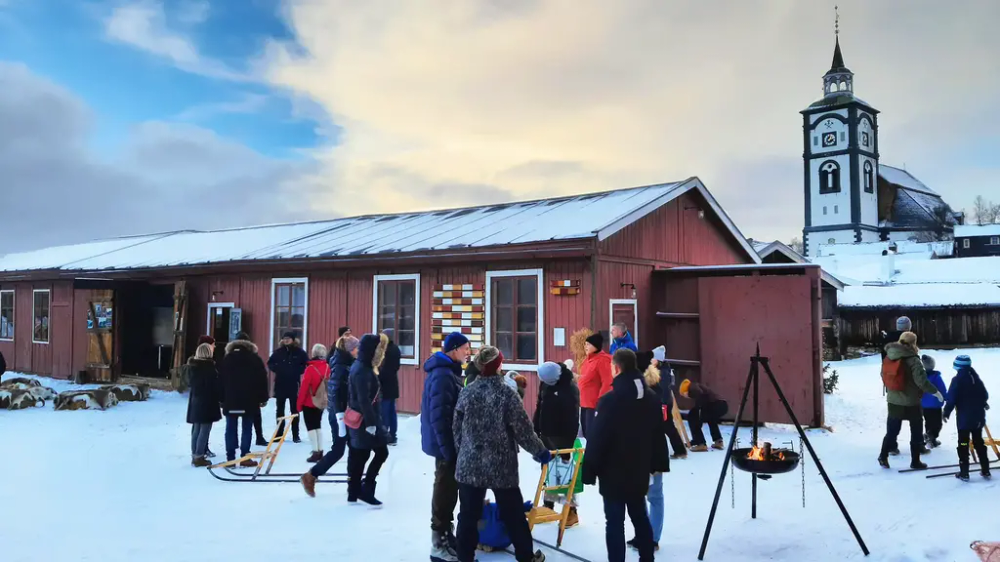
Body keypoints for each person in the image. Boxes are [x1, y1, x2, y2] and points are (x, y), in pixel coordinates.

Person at [454, 346, 549, 562]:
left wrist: (464, 451)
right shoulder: (507, 394)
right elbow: (524, 431)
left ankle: (464, 558)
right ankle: (526, 557)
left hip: (470, 465)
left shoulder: (467, 392)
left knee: (468, 515)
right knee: (514, 515)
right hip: (501, 467)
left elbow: (456, 428)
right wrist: (540, 451)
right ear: (499, 366)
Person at [582, 349, 669, 562]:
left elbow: (597, 438)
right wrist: (658, 463)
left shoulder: (610, 401)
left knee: (614, 522)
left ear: (617, 368)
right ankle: (647, 558)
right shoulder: (651, 397)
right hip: (639, 470)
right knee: (640, 517)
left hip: (613, 473)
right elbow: (659, 435)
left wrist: (589, 470)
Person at [421, 332, 472, 562]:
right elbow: (440, 417)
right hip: (446, 445)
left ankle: (446, 537)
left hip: (449, 444)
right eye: (465, 348)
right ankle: (438, 545)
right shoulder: (442, 375)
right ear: (453, 349)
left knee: (449, 491)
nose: (467, 352)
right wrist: (448, 450)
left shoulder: (449, 372)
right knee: (444, 490)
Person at [301, 335, 359, 498]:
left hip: (343, 412)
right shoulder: (341, 367)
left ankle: (353, 483)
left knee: (353, 448)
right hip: (339, 414)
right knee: (339, 449)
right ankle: (311, 475)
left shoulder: (345, 363)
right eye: (356, 348)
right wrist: (340, 419)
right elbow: (335, 393)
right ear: (349, 349)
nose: (358, 351)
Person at [878, 332, 944, 469]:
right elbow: (922, 382)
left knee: (892, 431)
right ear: (914, 343)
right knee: (916, 430)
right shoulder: (913, 360)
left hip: (893, 401)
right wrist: (936, 392)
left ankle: (883, 455)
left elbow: (883, 375)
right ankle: (915, 461)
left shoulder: (889, 356)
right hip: (911, 402)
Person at [533, 360, 581, 526]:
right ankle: (548, 506)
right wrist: (535, 429)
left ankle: (572, 512)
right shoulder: (545, 384)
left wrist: (568, 445)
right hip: (545, 435)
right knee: (547, 472)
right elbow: (540, 406)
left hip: (562, 437)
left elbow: (573, 419)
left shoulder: (569, 389)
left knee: (563, 475)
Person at [346, 333, 391, 505]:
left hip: (363, 418)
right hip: (365, 420)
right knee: (380, 452)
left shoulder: (361, 366)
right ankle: (366, 488)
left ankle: (355, 491)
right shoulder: (362, 370)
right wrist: (371, 424)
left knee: (360, 456)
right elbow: (363, 399)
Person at [219, 332, 269, 466]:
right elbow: (262, 380)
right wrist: (263, 398)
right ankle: (245, 457)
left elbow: (220, 381)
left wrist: (221, 398)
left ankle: (230, 458)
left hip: (231, 400)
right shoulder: (254, 359)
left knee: (230, 428)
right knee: (247, 428)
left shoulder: (227, 358)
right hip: (249, 401)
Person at [943, 355, 992, 481]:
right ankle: (985, 469)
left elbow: (951, 398)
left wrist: (946, 412)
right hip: (978, 419)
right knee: (978, 442)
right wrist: (982, 403)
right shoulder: (975, 378)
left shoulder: (957, 380)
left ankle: (964, 472)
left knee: (963, 443)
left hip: (965, 420)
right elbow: (984, 394)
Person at [638, 346, 686, 460]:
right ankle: (679, 450)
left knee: (667, 427)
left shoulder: (663, 373)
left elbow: (664, 390)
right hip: (660, 403)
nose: (650, 361)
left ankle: (679, 450)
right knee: (667, 427)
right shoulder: (661, 370)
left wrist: (663, 405)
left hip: (662, 403)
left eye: (652, 359)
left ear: (658, 360)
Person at [268, 331, 309, 443]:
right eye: (284, 338)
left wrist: (298, 371)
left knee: (294, 410)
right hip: (280, 383)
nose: (286, 340)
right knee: (279, 410)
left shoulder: (299, 352)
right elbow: (270, 363)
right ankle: (279, 434)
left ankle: (296, 435)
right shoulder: (278, 352)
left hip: (293, 384)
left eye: (288, 338)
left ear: (293, 339)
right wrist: (277, 369)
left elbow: (306, 364)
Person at [186, 343, 221, 467]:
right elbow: (214, 386)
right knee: (204, 429)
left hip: (195, 401)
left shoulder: (192, 367)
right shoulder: (209, 368)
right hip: (207, 401)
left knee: (196, 428)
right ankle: (199, 456)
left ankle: (195, 454)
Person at [298, 343, 331, 463]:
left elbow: (304, 388)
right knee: (318, 425)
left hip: (309, 402)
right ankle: (320, 450)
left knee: (311, 427)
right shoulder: (327, 367)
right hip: (321, 401)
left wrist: (299, 404)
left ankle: (315, 451)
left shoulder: (310, 369)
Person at [579, 332, 613, 440]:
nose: (586, 347)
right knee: (586, 433)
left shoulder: (603, 360)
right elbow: (586, 378)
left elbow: (608, 383)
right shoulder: (587, 360)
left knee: (593, 435)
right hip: (584, 403)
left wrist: (601, 402)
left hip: (594, 405)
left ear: (596, 346)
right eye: (585, 344)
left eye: (588, 344)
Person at [679, 378, 728, 452]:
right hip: (722, 405)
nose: (685, 397)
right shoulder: (695, 386)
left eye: (683, 394)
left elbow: (699, 393)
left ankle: (700, 443)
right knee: (710, 419)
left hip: (716, 405)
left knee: (692, 417)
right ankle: (718, 441)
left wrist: (699, 410)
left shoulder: (692, 387)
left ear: (685, 391)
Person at [379, 329, 402, 445]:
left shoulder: (384, 350)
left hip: (384, 385)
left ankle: (385, 435)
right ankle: (393, 435)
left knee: (385, 411)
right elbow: (396, 367)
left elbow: (381, 369)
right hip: (393, 383)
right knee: (392, 411)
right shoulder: (396, 349)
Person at [920, 355, 947, 449]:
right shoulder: (936, 377)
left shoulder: (921, 377)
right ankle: (931, 437)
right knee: (937, 424)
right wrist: (946, 398)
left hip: (924, 405)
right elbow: (943, 390)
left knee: (928, 422)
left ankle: (930, 437)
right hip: (935, 405)